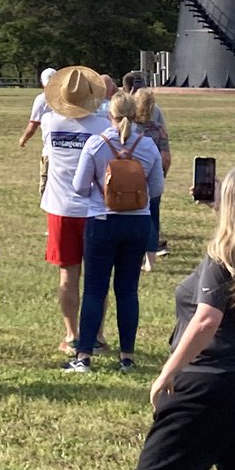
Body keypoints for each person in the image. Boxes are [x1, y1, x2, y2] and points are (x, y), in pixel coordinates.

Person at [136, 166, 235, 470]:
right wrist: (220, 203)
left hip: (210, 384)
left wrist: (168, 373)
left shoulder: (220, 259)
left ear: (233, 206)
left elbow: (207, 320)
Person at [64, 91, 163, 373]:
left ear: (110, 115)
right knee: (128, 290)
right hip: (137, 223)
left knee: (95, 289)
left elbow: (79, 186)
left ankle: (83, 356)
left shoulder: (97, 144)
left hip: (102, 219)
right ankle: (127, 356)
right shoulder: (148, 146)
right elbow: (155, 188)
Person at [40, 65, 109, 354]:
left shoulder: (49, 123)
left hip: (61, 207)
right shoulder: (104, 125)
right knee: (97, 276)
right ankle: (98, 335)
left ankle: (71, 334)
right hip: (96, 208)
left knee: (68, 275)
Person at [134, 87, 172, 271]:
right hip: (152, 178)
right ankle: (150, 261)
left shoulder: (128, 127)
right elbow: (166, 157)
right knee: (153, 218)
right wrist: (163, 173)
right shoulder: (159, 130)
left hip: (130, 178)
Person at [18, 66, 57, 197]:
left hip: (49, 149)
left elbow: (33, 124)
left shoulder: (42, 99)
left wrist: (23, 138)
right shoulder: (67, 98)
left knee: (46, 178)